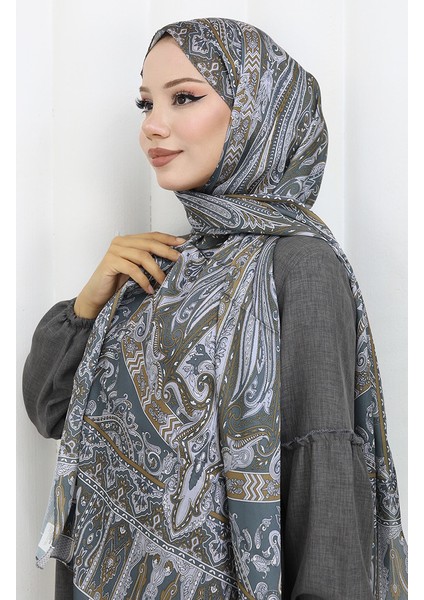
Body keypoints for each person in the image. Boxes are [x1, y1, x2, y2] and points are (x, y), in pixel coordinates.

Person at [23, 17, 408, 600]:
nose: (152, 125)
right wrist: (87, 302)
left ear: (259, 112)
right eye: (146, 102)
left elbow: (323, 481)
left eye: (184, 97)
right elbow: (52, 411)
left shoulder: (300, 266)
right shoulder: (163, 267)